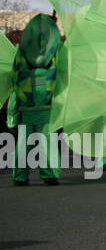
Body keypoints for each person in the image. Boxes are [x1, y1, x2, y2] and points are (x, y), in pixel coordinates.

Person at [8, 14, 62, 186]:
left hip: (27, 110)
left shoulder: (21, 61)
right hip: (45, 110)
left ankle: (20, 176)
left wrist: (12, 115)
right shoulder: (54, 60)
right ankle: (49, 174)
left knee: (23, 145)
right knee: (48, 144)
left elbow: (16, 89)